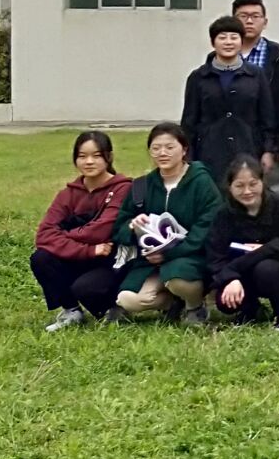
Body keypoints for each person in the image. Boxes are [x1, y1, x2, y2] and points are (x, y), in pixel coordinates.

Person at [111, 123, 224, 326]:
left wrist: (169, 253)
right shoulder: (142, 185)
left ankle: (194, 306)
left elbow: (208, 226)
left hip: (191, 257)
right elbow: (119, 227)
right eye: (156, 148)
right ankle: (173, 304)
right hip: (150, 263)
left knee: (178, 279)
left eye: (170, 147)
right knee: (128, 299)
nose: (162, 153)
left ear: (184, 149)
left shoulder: (201, 182)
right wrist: (132, 226)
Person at [33, 130, 133, 331]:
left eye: (96, 156)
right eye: (82, 156)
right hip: (87, 254)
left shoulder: (122, 189)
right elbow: (44, 235)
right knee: (41, 258)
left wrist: (63, 234)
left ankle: (113, 308)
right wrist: (89, 250)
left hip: (110, 260)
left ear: (109, 157)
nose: (89, 162)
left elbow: (101, 231)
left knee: (86, 288)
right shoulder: (68, 194)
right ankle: (71, 311)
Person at [205, 153, 279, 327]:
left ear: (262, 182)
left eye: (253, 184)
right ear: (230, 187)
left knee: (267, 270)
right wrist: (230, 278)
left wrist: (264, 251)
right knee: (225, 302)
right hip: (240, 272)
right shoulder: (223, 215)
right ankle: (251, 309)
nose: (247, 191)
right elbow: (215, 254)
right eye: (239, 186)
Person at [180, 15, 278, 181]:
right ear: (213, 42)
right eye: (222, 37)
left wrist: (268, 150)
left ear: (241, 42)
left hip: (248, 149)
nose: (228, 42)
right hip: (209, 152)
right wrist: (188, 157)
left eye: (234, 37)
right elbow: (189, 122)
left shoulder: (256, 75)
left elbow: (267, 117)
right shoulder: (198, 77)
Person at [234, 0, 279, 166]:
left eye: (255, 16)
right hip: (232, 139)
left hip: (269, 142)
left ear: (265, 22)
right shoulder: (219, 58)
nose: (249, 21)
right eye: (243, 16)